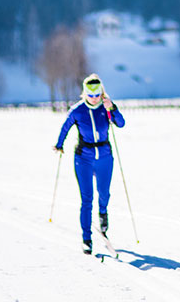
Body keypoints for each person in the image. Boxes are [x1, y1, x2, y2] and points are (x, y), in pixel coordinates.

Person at [54, 73, 126, 254]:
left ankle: (103, 213)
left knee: (104, 194)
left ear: (101, 93)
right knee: (86, 199)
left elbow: (121, 123)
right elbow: (65, 127)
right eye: (90, 95)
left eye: (97, 95)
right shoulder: (77, 110)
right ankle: (86, 238)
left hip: (104, 157)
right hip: (83, 159)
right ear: (84, 94)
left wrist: (113, 108)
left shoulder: (106, 108)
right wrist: (59, 144)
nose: (94, 99)